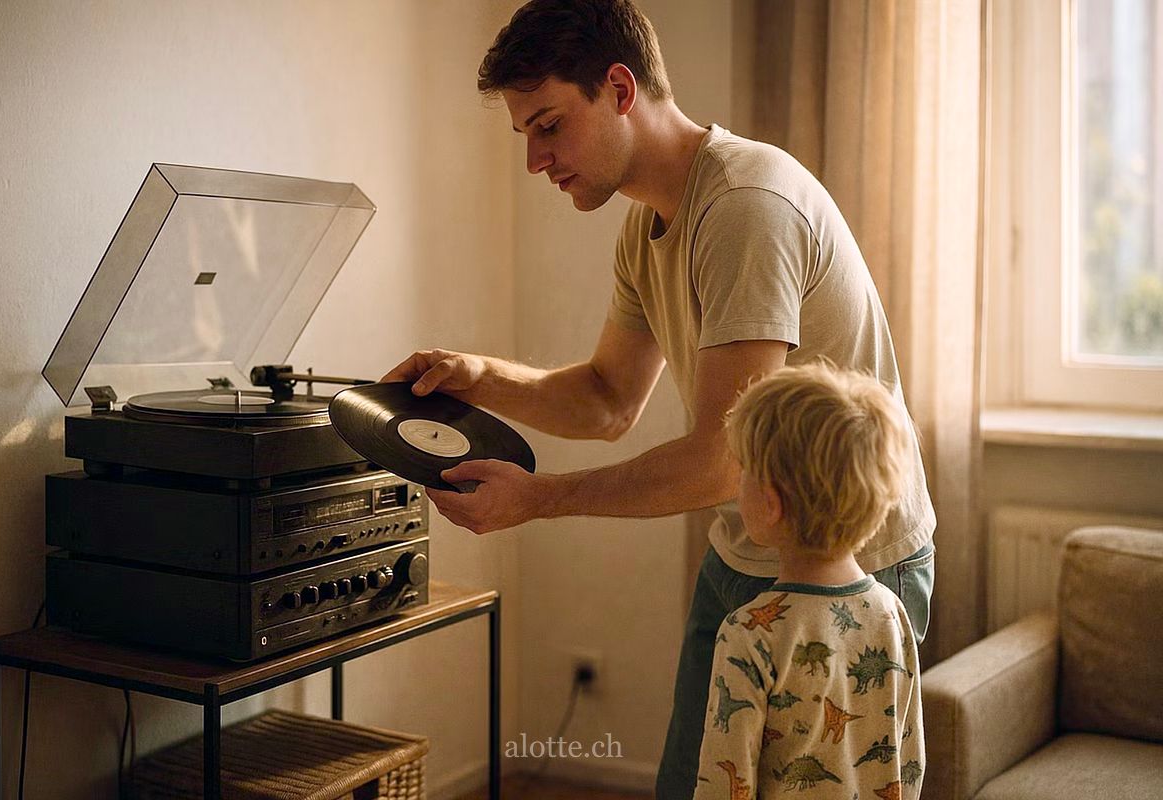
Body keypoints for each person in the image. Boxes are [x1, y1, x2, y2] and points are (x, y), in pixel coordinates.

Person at [380, 1, 936, 795]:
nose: (536, 160)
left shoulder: (746, 205)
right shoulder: (646, 226)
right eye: (525, 136)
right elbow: (608, 400)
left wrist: (538, 500)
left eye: (548, 126)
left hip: (855, 566)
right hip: (749, 548)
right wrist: (481, 377)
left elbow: (718, 462)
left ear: (618, 88)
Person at [694, 362, 924, 800]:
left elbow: (726, 783)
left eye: (743, 469)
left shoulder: (748, 634)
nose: (736, 482)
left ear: (771, 502)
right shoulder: (890, 613)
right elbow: (907, 761)